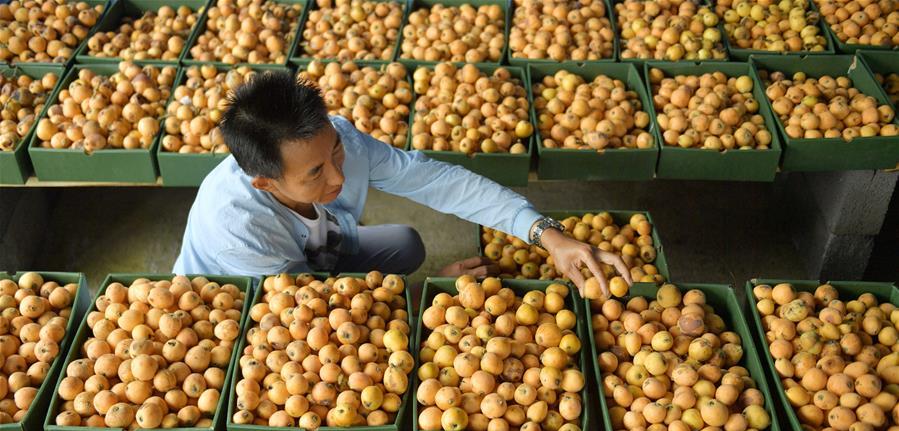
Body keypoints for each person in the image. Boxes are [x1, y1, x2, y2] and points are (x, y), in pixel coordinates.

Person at [173, 70, 631, 297]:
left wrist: (547, 234)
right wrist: (426, 293)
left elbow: (442, 183)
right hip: (245, 296)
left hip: (318, 247)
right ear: (266, 184)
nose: (338, 176)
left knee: (406, 246)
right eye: (314, 173)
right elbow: (311, 307)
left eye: (335, 152)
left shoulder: (339, 140)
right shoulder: (236, 228)